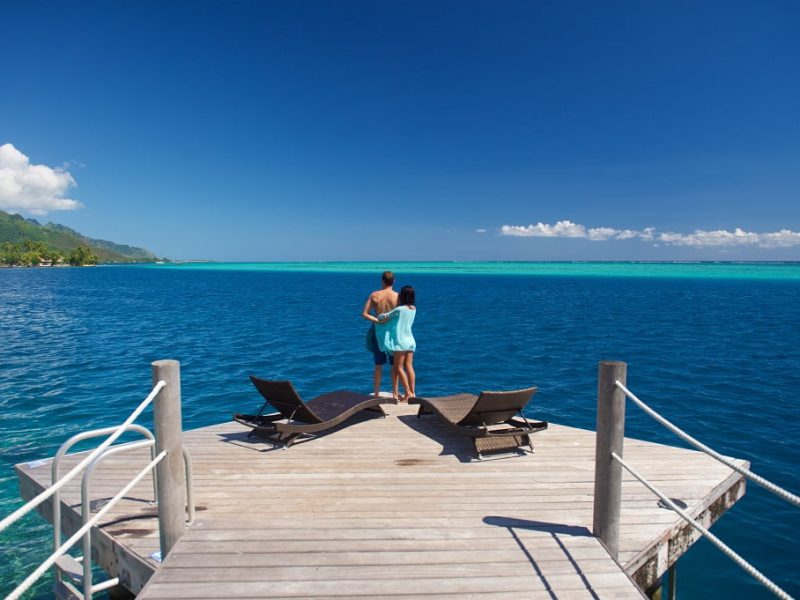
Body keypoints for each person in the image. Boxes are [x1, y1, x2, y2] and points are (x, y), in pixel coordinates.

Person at [361, 271, 398, 398]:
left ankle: (376, 393)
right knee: (394, 365)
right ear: (394, 281)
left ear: (382, 281)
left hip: (378, 331)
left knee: (378, 365)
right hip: (393, 333)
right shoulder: (397, 297)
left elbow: (364, 314)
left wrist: (377, 320)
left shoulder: (375, 295)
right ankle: (395, 393)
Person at [378, 285, 416, 402]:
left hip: (400, 342)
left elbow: (384, 317)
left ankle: (408, 392)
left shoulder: (399, 310)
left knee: (398, 367)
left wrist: (379, 315)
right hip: (411, 341)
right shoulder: (413, 309)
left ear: (402, 296)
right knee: (409, 366)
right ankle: (412, 392)